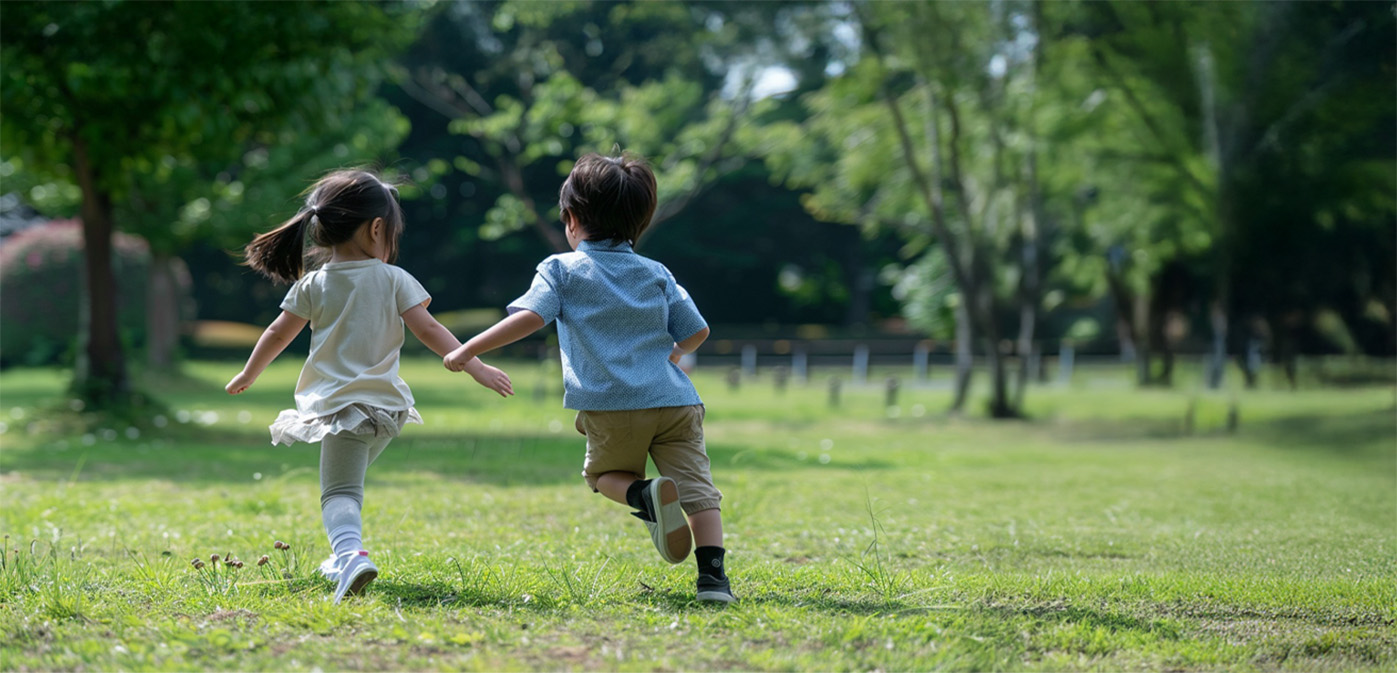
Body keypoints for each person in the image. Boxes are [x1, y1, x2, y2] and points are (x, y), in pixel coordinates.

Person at [443, 153, 734, 603]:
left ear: (572, 219)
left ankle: (645, 494)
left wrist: (469, 348)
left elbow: (529, 317)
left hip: (611, 405)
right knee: (700, 491)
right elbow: (696, 331)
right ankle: (713, 582)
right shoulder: (658, 272)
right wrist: (674, 356)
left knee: (602, 476)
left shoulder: (561, 269)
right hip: (676, 402)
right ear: (640, 220)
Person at [225, 169, 513, 603]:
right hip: (388, 410)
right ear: (377, 229)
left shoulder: (315, 284)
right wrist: (476, 367)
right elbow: (430, 329)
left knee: (340, 492)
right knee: (350, 485)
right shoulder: (394, 279)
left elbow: (277, 333)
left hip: (342, 410)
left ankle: (350, 555)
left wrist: (249, 373)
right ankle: (340, 557)